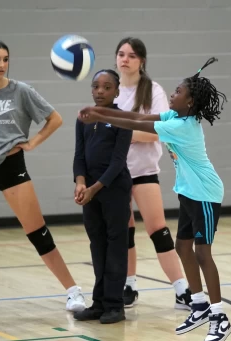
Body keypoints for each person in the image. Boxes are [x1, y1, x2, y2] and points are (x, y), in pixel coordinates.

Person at [78, 57, 231, 341]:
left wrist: (101, 115)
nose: (172, 95)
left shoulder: (183, 127)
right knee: (183, 249)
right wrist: (103, 114)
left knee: (202, 253)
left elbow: (138, 122)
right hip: (188, 192)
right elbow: (139, 117)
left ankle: (219, 315)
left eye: (177, 92)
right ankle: (198, 305)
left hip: (206, 195)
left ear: (190, 102)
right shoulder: (176, 117)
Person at [0, 40, 86, 312]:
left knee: (38, 232)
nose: (1, 64)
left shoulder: (22, 91)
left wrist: (33, 142)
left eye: (5, 59)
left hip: (13, 167)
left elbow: (55, 118)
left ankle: (74, 292)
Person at [114, 37, 192, 310]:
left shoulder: (152, 90)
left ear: (141, 61)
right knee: (125, 232)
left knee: (158, 230)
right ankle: (129, 285)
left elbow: (159, 129)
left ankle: (182, 289)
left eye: (132, 55)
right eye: (121, 54)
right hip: (115, 172)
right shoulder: (110, 90)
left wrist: (124, 135)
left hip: (144, 171)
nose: (125, 59)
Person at [72, 69, 133, 324]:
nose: (100, 91)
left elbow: (118, 161)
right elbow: (79, 156)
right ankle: (99, 303)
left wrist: (95, 188)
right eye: (96, 86)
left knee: (116, 246)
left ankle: (115, 305)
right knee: (97, 245)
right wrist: (80, 182)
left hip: (114, 190)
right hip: (90, 193)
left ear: (117, 91)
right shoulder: (83, 118)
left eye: (107, 87)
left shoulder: (122, 119)